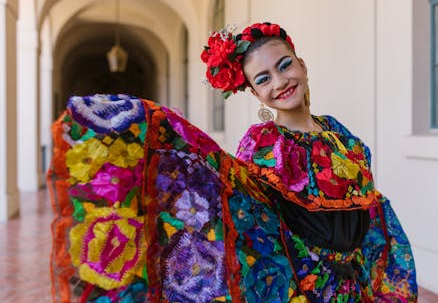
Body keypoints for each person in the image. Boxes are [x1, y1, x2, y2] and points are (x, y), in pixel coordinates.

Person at [48, 22, 417, 303]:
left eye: (284, 65)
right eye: (264, 79)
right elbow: (242, 208)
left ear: (302, 65)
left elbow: (369, 205)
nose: (280, 81)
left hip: (359, 284)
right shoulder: (264, 142)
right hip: (306, 285)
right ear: (255, 92)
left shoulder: (337, 131)